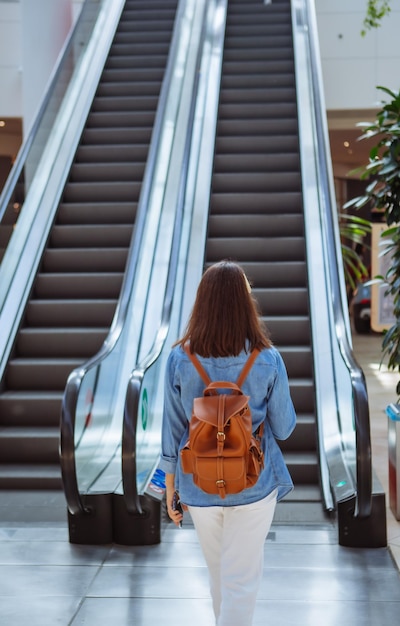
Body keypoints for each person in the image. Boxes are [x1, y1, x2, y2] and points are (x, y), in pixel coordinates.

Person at [159, 260, 296, 626]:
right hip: (254, 484)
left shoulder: (179, 358)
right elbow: (284, 428)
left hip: (198, 486)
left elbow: (172, 432)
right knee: (240, 581)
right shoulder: (267, 359)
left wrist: (169, 489)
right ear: (245, 304)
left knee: (221, 578)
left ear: (202, 303)